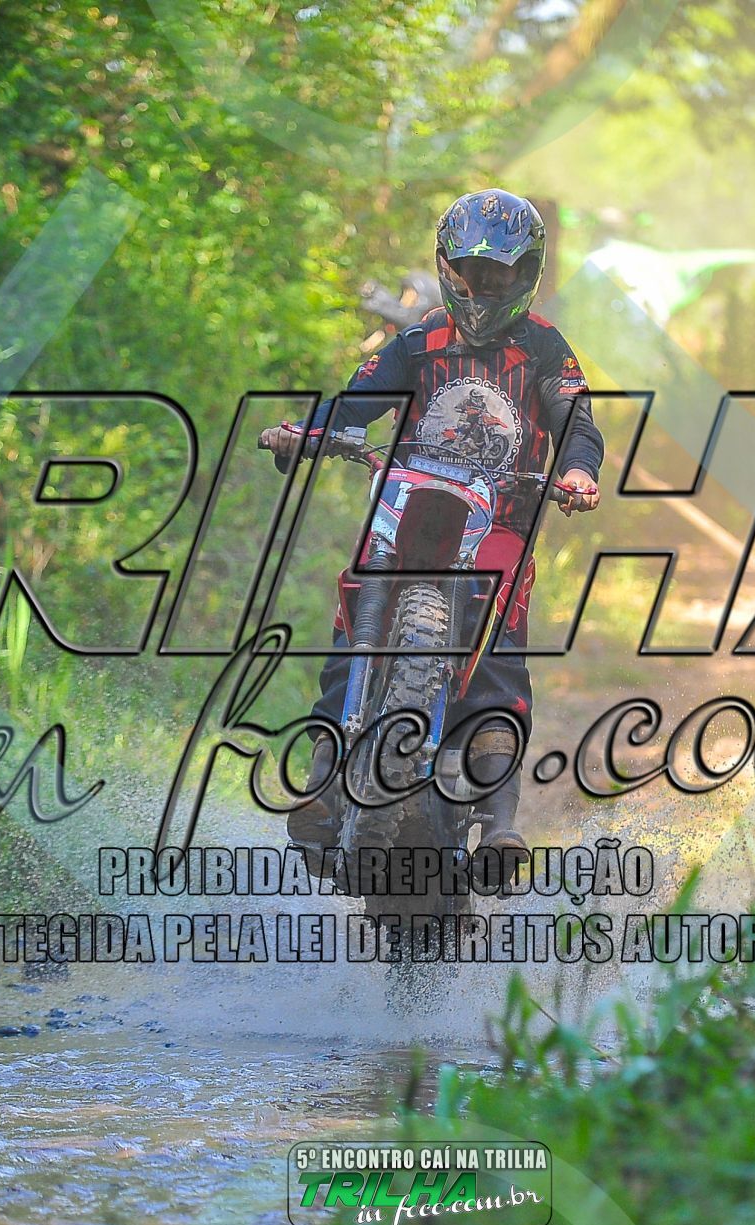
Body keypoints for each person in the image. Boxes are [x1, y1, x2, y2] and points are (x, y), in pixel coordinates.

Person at [257, 189, 604, 867]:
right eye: (471, 273)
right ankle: (324, 775)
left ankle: (500, 820)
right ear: (448, 269)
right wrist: (306, 431)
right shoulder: (417, 343)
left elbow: (575, 422)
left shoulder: (544, 348)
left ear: (526, 274)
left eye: (498, 275)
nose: (482, 288)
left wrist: (578, 471)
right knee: (355, 604)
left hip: (501, 515)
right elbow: (357, 404)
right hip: (407, 499)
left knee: (499, 646)